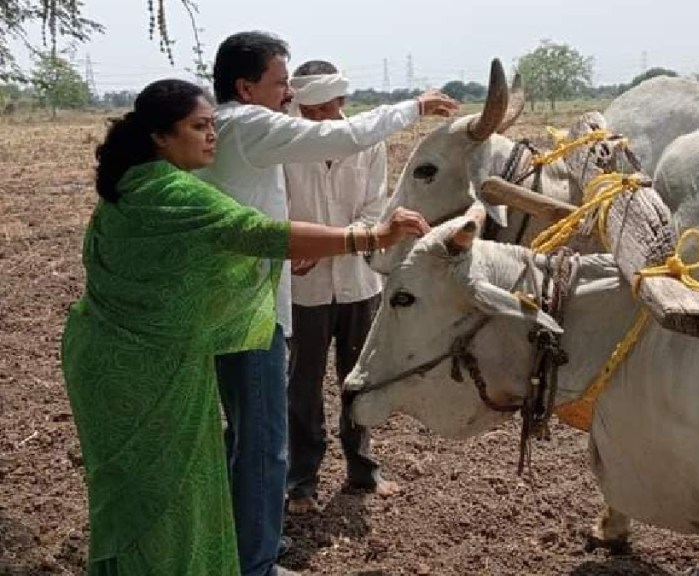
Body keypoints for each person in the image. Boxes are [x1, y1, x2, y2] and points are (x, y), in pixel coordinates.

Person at [62, 78, 429, 576]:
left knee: (134, 492)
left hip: (108, 355)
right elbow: (257, 234)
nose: (213, 136)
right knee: (166, 490)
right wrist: (374, 235)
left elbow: (188, 262)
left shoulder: (132, 184)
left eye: (213, 124)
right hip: (144, 369)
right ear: (159, 137)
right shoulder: (173, 192)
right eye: (198, 126)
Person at [195, 31, 458, 576]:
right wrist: (417, 105)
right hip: (267, 300)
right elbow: (338, 151)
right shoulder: (261, 129)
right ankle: (256, 560)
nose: (292, 96)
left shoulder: (225, 130)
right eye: (283, 85)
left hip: (291, 289)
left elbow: (370, 200)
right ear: (248, 88)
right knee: (268, 432)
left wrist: (344, 238)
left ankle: (241, 542)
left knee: (264, 423)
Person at [283, 60, 397, 515]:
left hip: (358, 284)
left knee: (360, 380)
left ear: (341, 101)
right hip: (302, 288)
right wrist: (293, 244)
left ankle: (363, 470)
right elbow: (277, 210)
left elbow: (375, 214)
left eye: (320, 109)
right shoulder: (285, 142)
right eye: (305, 109)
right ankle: (301, 482)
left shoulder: (369, 142)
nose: (313, 118)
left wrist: (322, 248)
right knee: (302, 386)